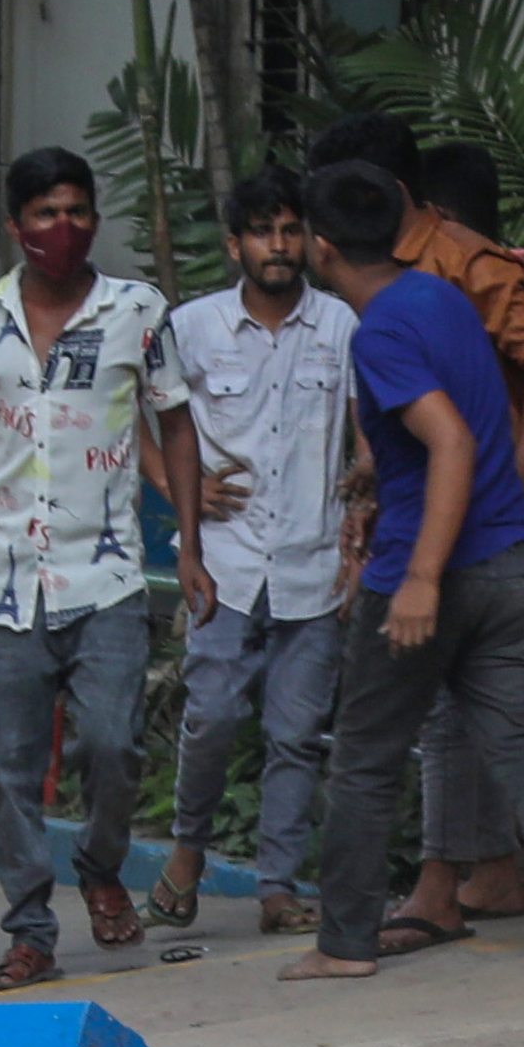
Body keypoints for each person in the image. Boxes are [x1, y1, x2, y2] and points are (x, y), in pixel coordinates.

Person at [281, 159, 524, 984]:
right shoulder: (444, 297)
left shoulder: (380, 331)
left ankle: (343, 943)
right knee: (520, 738)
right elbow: (477, 417)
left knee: (365, 757)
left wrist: (423, 576)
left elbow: (451, 440)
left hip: (427, 570)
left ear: (323, 248)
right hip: (509, 561)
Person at [0, 145, 207, 994]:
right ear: (17, 226)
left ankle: (100, 863)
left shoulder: (137, 311)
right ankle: (30, 933)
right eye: (47, 213)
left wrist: (192, 545)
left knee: (114, 744)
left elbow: (176, 427)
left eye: (78, 210)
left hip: (107, 577)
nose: (65, 226)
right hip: (6, 581)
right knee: (9, 771)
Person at [157, 166, 354, 937]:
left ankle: (278, 887)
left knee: (296, 735)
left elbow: (368, 430)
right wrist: (180, 492)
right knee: (209, 715)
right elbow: (138, 416)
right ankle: (186, 855)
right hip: (224, 563)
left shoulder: (341, 325)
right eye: (263, 231)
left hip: (315, 563)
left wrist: (363, 518)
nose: (279, 245)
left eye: (290, 230)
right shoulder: (192, 326)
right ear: (235, 244)